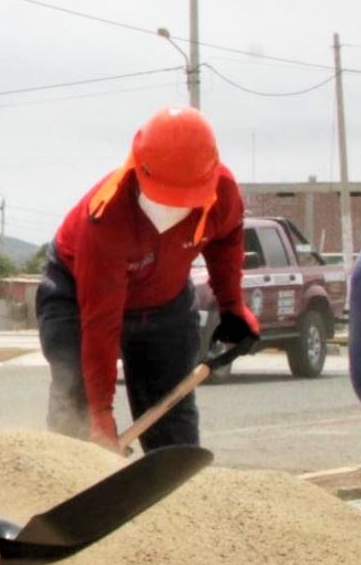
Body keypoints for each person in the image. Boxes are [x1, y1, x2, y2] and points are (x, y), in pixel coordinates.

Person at [37, 105, 257, 453]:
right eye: (167, 196)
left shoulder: (223, 193)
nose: (175, 208)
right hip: (76, 295)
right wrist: (100, 414)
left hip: (164, 301)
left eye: (187, 198)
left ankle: (176, 500)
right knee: (75, 408)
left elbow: (227, 240)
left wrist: (233, 308)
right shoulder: (107, 219)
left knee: (171, 415)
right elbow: (100, 323)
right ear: (139, 169)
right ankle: (68, 486)